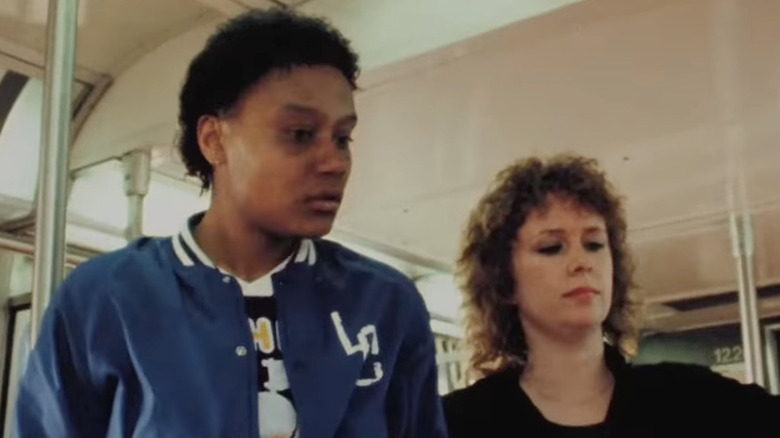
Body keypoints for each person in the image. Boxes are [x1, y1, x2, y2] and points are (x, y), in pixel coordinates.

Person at [14, 8, 446, 438]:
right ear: (214, 140)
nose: (335, 162)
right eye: (299, 134)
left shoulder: (384, 304)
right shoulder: (104, 300)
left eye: (342, 138)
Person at [443, 154, 779, 437]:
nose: (582, 263)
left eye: (594, 244)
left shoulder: (691, 399)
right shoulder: (461, 423)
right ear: (503, 281)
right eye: (551, 248)